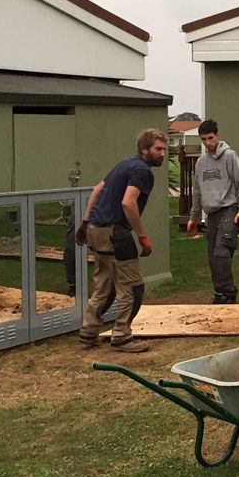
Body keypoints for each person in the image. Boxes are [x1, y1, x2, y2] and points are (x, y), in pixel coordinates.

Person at [76, 129, 167, 352]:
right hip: (116, 233)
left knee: (103, 284)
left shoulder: (124, 164)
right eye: (158, 149)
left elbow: (97, 190)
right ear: (144, 149)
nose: (162, 154)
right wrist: (142, 236)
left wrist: (86, 222)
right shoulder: (141, 170)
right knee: (132, 286)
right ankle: (121, 336)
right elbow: (128, 203)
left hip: (97, 230)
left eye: (164, 149)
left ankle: (88, 333)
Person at [185, 118, 239, 303]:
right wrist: (194, 217)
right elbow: (197, 191)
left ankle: (228, 294)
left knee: (221, 252)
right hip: (211, 214)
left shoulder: (229, 156)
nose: (208, 143)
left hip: (229, 209)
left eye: (210, 138)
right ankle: (219, 294)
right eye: (204, 139)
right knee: (212, 257)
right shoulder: (200, 163)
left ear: (217, 136)